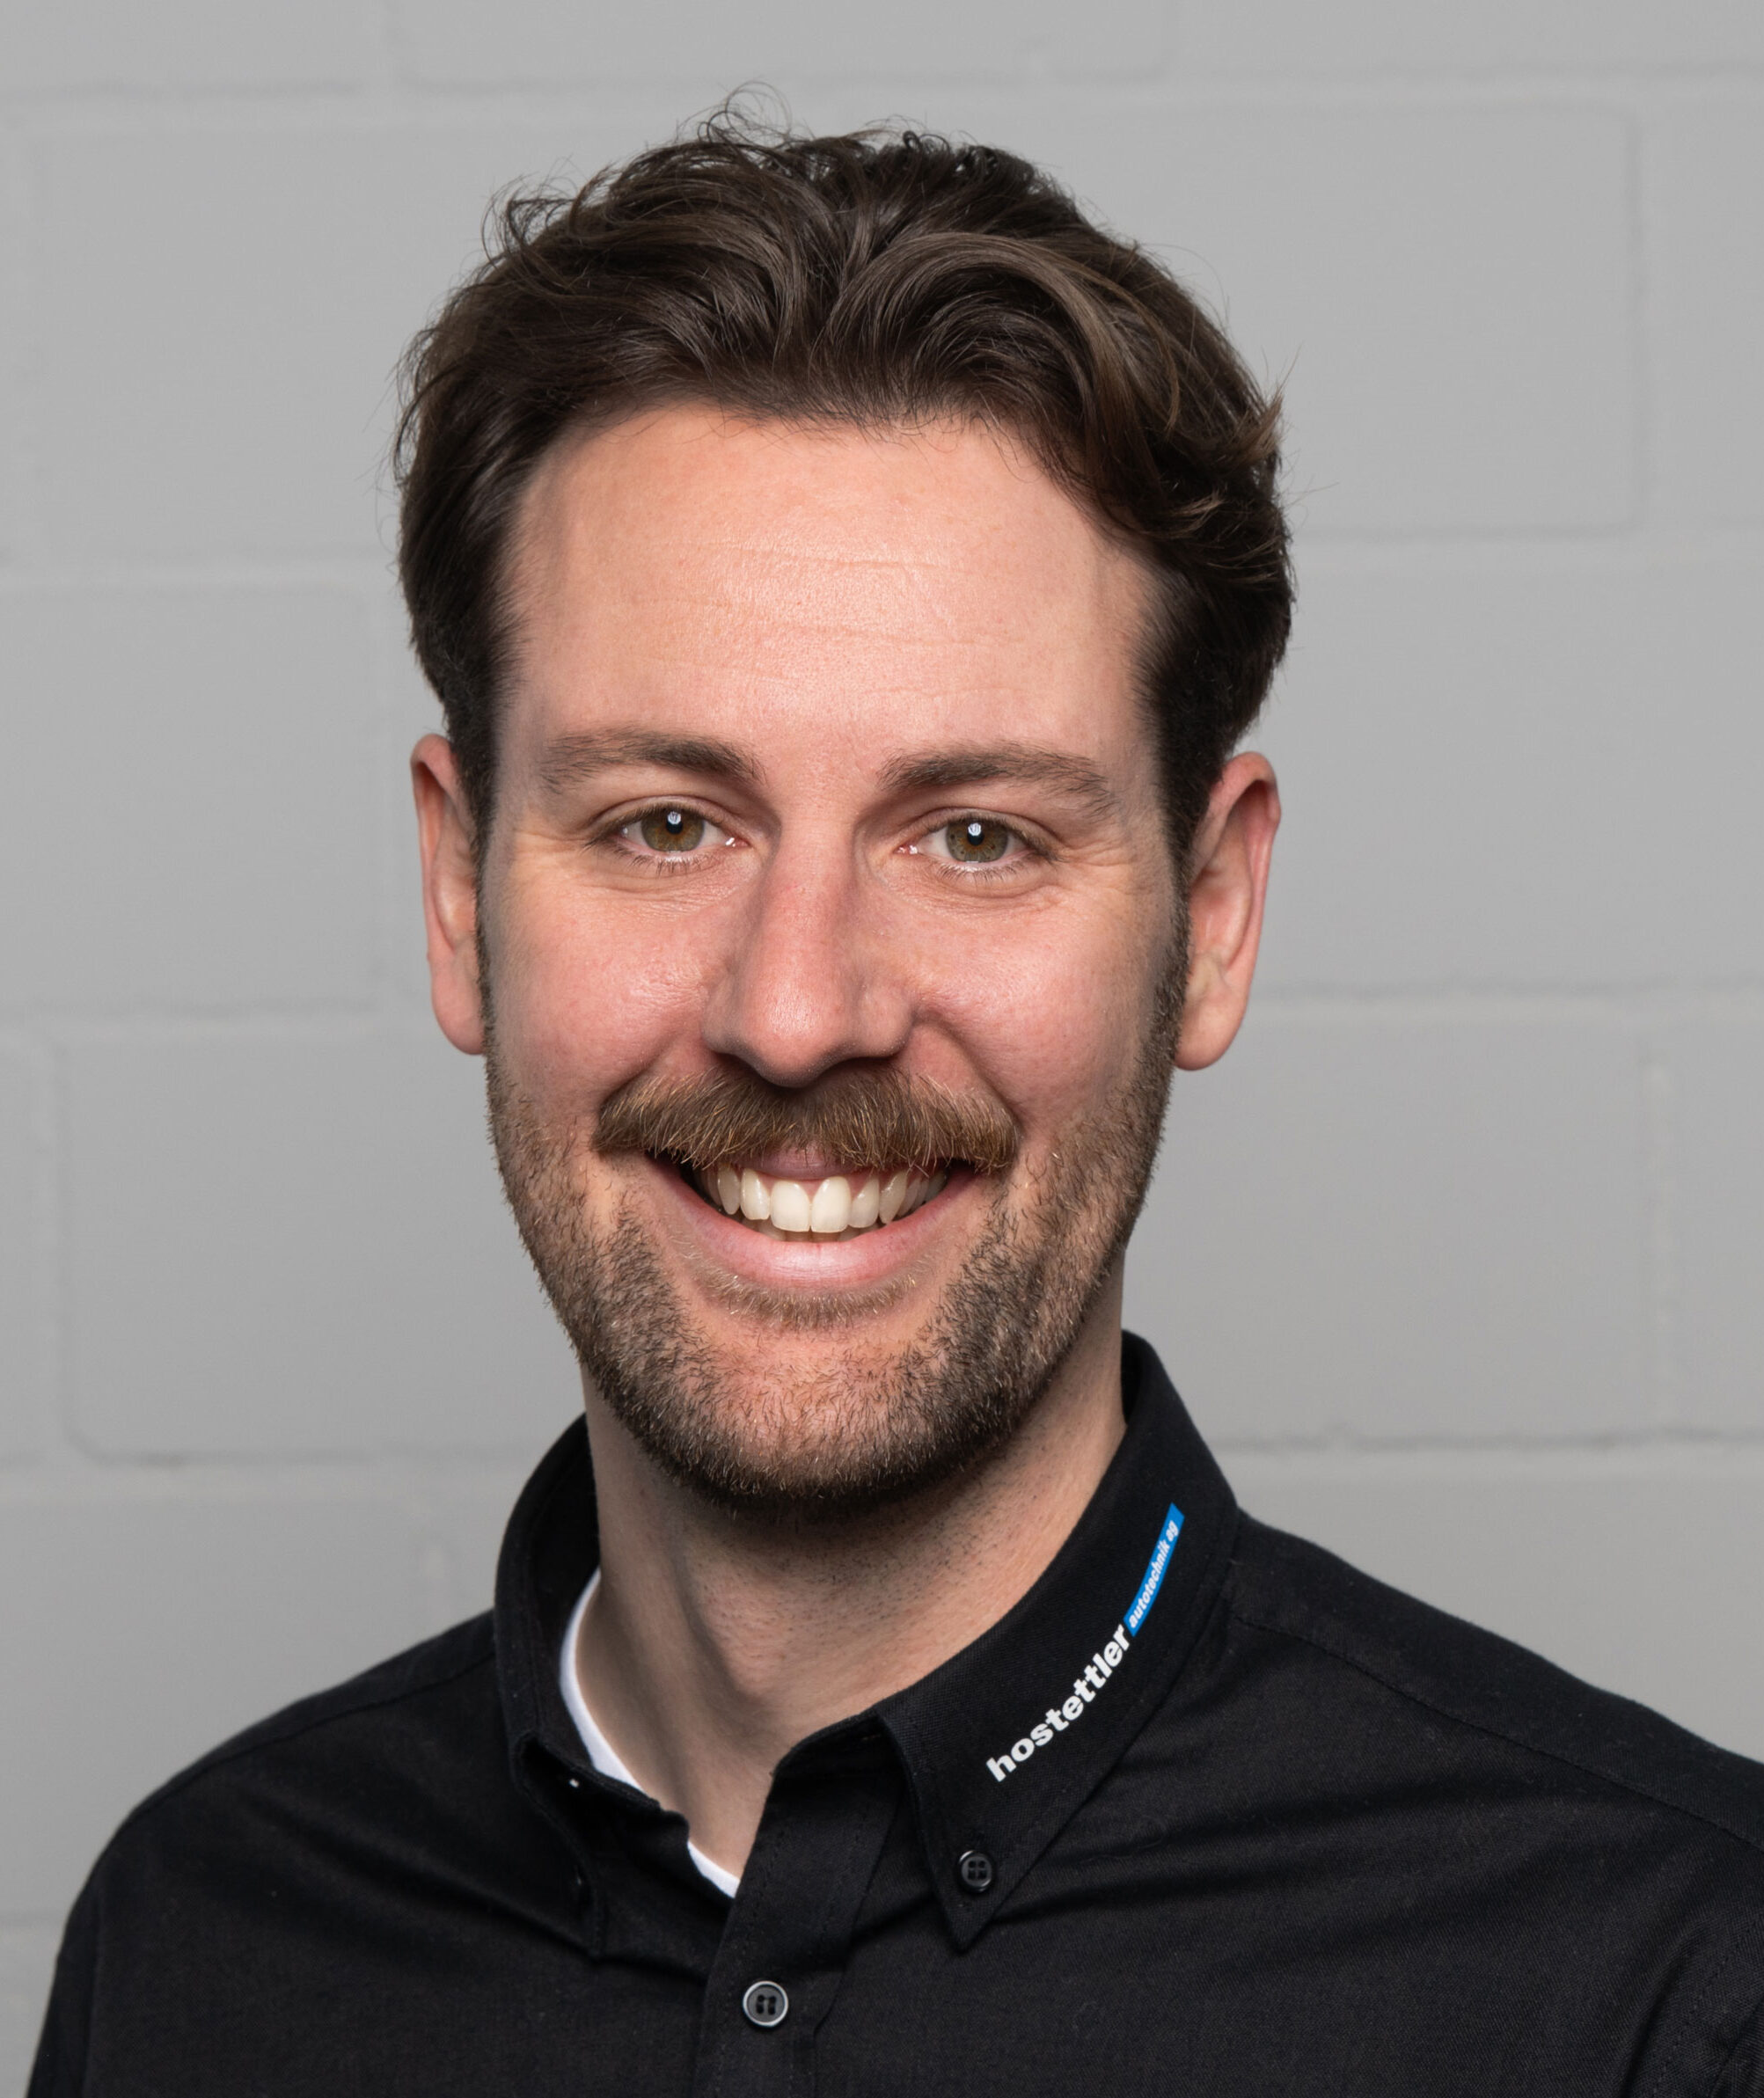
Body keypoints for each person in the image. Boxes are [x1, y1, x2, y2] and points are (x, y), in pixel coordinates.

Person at [29, 113, 1764, 2098]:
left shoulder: (1667, 1988)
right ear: (457, 892)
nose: (796, 1013)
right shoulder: (199, 1943)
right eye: (665, 823)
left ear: (1210, 917)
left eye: (974, 835)